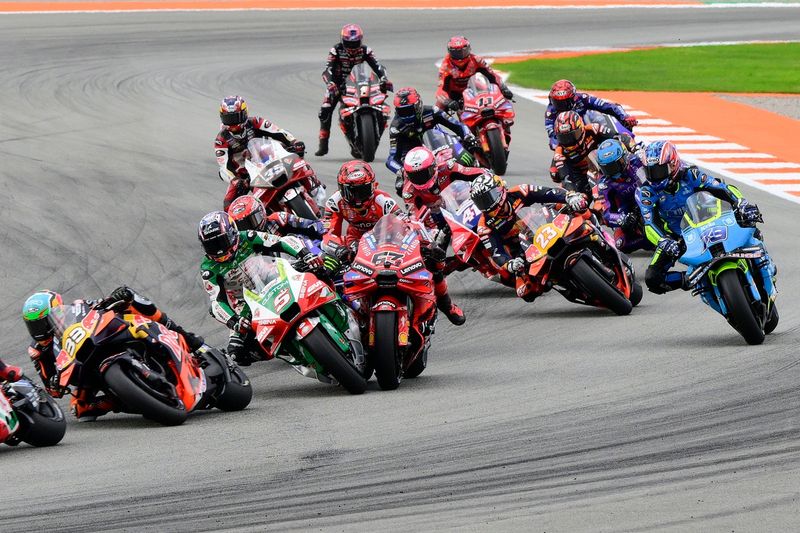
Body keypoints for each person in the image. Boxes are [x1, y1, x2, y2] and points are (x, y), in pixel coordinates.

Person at [22, 288, 204, 421]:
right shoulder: (38, 350)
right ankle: (126, 399)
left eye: (43, 322)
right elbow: (51, 387)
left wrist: (115, 298)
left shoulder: (77, 307)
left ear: (58, 310)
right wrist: (54, 383)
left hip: (105, 338)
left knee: (131, 300)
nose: (40, 330)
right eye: (34, 325)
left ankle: (183, 335)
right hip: (84, 370)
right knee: (80, 410)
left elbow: (99, 305)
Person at [323, 160, 465, 325]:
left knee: (433, 262)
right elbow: (328, 234)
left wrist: (426, 245)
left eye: (363, 191)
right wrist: (339, 249)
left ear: (373, 186)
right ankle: (347, 316)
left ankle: (446, 305)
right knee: (327, 269)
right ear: (341, 189)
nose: (358, 199)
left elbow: (407, 224)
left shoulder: (383, 200)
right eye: (351, 192)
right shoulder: (334, 203)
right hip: (355, 243)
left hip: (386, 240)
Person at [635, 140, 770, 294]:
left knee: (750, 224)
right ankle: (695, 280)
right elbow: (648, 223)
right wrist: (663, 241)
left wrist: (741, 203)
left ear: (672, 165)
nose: (654, 177)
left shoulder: (689, 174)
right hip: (678, 236)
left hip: (709, 221)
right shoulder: (645, 191)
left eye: (658, 171)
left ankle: (763, 265)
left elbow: (721, 188)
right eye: (650, 171)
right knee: (653, 279)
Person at [199, 211, 326, 364]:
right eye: (211, 245)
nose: (219, 250)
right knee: (236, 353)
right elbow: (216, 302)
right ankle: (287, 349)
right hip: (245, 303)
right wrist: (234, 320)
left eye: (221, 241)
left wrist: (305, 254)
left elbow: (281, 241)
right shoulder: (208, 268)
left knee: (320, 270)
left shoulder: (248, 236)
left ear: (232, 233)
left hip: (273, 277)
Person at [470, 174, 588, 300]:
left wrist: (569, 197)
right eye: (481, 202)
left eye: (488, 197)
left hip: (543, 224)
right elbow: (496, 253)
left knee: (579, 205)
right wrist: (510, 264)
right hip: (523, 250)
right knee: (526, 292)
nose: (486, 204)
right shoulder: (484, 226)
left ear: (500, 189)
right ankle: (564, 283)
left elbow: (548, 192)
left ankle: (599, 235)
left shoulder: (520, 191)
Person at [214, 95, 309, 207]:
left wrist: (294, 142)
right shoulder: (221, 140)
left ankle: (316, 189)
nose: (232, 123)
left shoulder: (256, 122)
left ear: (244, 114)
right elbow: (224, 166)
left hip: (268, 159)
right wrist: (235, 179)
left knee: (299, 163)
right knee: (228, 204)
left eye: (235, 117)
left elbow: (278, 132)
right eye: (228, 119)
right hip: (245, 175)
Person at [315, 23, 393, 157]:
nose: (352, 47)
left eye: (355, 43)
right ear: (342, 40)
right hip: (339, 85)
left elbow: (378, 66)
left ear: (360, 41)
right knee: (325, 109)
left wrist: (384, 79)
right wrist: (331, 83)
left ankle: (375, 130)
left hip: (361, 82)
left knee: (381, 103)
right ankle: (323, 144)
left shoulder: (365, 50)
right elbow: (328, 70)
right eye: (349, 43)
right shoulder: (336, 50)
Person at [386, 87, 477, 193]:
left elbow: (458, 125)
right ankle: (419, 207)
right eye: (402, 112)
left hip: (440, 146)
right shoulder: (396, 127)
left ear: (418, 105)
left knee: (473, 146)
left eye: (409, 110)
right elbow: (391, 160)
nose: (406, 115)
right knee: (400, 186)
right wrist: (402, 170)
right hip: (415, 162)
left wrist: (468, 136)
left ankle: (484, 175)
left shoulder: (432, 111)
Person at [550, 110, 630, 197]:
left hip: (601, 168)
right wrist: (572, 193)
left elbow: (619, 136)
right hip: (578, 177)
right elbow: (566, 178)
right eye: (564, 138)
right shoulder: (559, 153)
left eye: (572, 136)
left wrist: (635, 147)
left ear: (581, 128)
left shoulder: (594, 129)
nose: (569, 141)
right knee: (578, 200)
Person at [545, 79, 638, 150]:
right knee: (554, 150)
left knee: (597, 116)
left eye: (565, 102)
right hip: (570, 141)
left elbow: (607, 106)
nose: (561, 106)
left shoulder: (582, 98)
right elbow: (552, 135)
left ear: (573, 98)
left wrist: (625, 117)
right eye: (557, 102)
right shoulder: (551, 112)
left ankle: (630, 144)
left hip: (587, 131)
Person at [596, 138, 651, 253]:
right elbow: (606, 213)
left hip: (651, 196)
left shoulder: (637, 160)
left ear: (624, 157)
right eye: (607, 168)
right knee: (621, 244)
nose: (612, 171)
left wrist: (642, 150)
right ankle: (648, 241)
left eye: (615, 165)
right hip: (628, 209)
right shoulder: (604, 184)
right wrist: (621, 219)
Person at [435, 36, 512, 112]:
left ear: (469, 49)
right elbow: (440, 89)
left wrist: (504, 88)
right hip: (453, 94)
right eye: (456, 53)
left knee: (498, 99)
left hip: (472, 91)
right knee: (437, 110)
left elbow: (492, 75)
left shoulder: (476, 60)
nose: (460, 56)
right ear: (450, 52)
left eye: (463, 51)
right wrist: (448, 101)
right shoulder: (445, 66)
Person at [227, 195, 325, 238]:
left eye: (250, 221)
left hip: (304, 257)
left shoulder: (278, 218)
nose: (248, 228)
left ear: (261, 213)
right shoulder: (241, 243)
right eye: (241, 225)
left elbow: (312, 225)